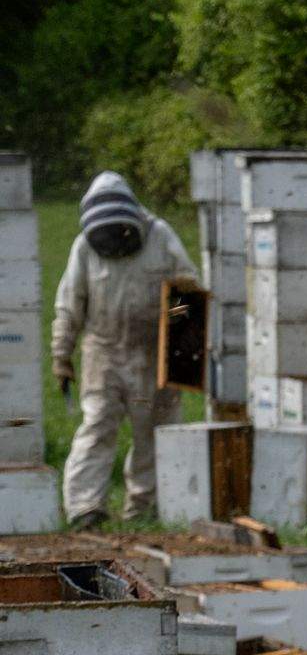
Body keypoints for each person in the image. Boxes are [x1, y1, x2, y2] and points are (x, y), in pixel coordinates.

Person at [52, 171, 197, 527]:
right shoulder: (85, 247)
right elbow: (71, 303)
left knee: (155, 432)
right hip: (103, 351)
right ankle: (85, 508)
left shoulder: (160, 236)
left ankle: (144, 510)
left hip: (154, 351)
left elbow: (187, 290)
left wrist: (176, 333)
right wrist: (61, 353)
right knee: (98, 426)